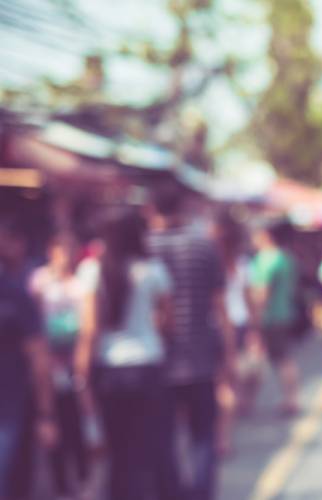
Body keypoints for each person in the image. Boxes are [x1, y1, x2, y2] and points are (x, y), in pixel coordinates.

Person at [74, 209, 172, 500]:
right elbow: (167, 320)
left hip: (110, 369)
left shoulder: (92, 270)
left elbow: (89, 329)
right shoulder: (152, 269)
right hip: (147, 365)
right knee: (144, 451)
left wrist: (81, 372)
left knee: (117, 453)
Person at [146, 181, 234, 500]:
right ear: (183, 208)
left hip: (157, 361)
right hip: (201, 356)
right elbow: (221, 307)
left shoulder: (145, 246)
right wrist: (230, 355)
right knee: (203, 436)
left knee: (163, 437)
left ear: (151, 209)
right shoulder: (204, 246)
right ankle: (200, 493)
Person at [28, 235, 91, 499]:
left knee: (74, 422)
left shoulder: (81, 284)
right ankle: (60, 481)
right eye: (60, 250)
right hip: (46, 364)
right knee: (52, 421)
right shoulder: (39, 281)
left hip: (73, 363)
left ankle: (80, 473)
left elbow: (89, 324)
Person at [0, 219, 57, 500]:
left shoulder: (18, 295)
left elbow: (39, 357)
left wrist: (45, 414)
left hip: (12, 408)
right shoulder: (17, 295)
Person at [249, 220, 301, 416]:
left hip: (269, 317)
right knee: (282, 358)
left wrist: (254, 320)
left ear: (266, 235)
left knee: (274, 359)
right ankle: (290, 398)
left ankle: (288, 400)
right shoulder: (287, 258)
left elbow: (261, 295)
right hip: (285, 313)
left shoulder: (266, 260)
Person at [213, 210, 253, 455]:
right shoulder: (241, 265)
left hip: (216, 325)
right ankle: (224, 437)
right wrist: (254, 330)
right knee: (228, 383)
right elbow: (249, 301)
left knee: (219, 385)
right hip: (237, 323)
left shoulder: (210, 263)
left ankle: (219, 434)